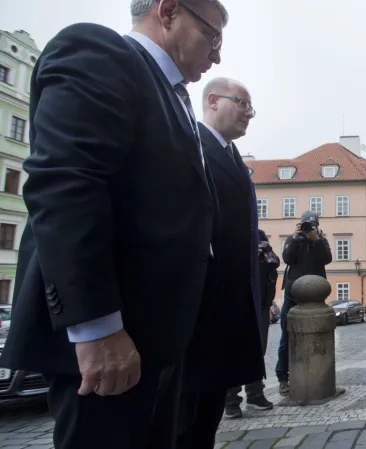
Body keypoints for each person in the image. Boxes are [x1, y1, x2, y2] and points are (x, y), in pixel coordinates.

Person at [0, 1, 227, 448]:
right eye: (212, 37)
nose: (216, 55)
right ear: (168, 12)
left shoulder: (173, 97)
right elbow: (66, 185)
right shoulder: (100, 53)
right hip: (111, 341)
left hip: (155, 341)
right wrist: (97, 328)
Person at [176, 77, 264, 448]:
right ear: (212, 100)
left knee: (205, 421)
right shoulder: (189, 145)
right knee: (185, 420)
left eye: (251, 107)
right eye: (241, 103)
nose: (249, 113)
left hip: (226, 310)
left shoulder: (232, 156)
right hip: (198, 312)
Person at [224, 229, 280, 417]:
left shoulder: (260, 235)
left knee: (257, 350)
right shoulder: (227, 233)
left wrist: (264, 253)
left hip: (260, 304)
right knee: (232, 353)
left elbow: (274, 262)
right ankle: (231, 400)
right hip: (234, 302)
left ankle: (255, 394)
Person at [276, 212, 332, 395]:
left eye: (311, 225)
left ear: (317, 225)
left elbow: (326, 259)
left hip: (316, 293)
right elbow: (287, 258)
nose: (308, 228)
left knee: (317, 332)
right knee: (287, 335)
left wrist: (315, 240)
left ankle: (314, 371)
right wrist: (295, 239)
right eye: (305, 225)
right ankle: (283, 377)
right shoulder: (294, 240)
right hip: (293, 294)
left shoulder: (321, 241)